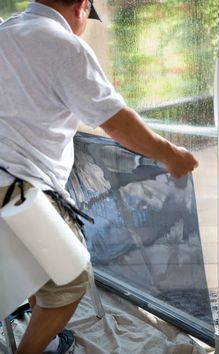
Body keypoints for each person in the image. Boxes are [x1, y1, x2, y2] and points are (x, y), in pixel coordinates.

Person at [0, 0, 198, 353]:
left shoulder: (7, 30)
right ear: (81, 7)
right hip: (21, 188)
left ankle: (37, 321)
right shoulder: (65, 46)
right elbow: (113, 120)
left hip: (7, 182)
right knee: (72, 280)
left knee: (41, 263)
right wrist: (170, 155)